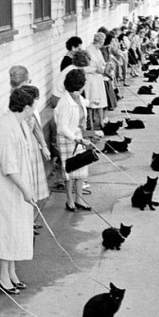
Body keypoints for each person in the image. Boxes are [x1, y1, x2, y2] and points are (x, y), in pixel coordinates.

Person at [0, 87, 37, 294]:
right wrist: (26, 191)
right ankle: (2, 276)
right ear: (26, 107)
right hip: (4, 190)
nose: (34, 110)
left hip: (13, 190)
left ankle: (11, 272)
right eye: (33, 106)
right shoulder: (5, 128)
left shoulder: (17, 124)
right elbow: (9, 167)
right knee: (6, 232)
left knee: (13, 232)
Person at [9, 66, 50, 233]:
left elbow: (37, 125)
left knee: (32, 184)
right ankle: (26, 222)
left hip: (32, 145)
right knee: (26, 184)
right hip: (24, 148)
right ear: (23, 82)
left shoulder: (29, 96)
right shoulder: (18, 101)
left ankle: (30, 219)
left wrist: (43, 145)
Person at [54, 69, 93, 211]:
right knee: (70, 171)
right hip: (68, 139)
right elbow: (62, 128)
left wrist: (91, 102)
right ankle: (70, 200)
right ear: (79, 85)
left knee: (81, 170)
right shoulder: (65, 103)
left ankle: (79, 199)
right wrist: (78, 139)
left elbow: (83, 102)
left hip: (77, 135)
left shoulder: (76, 96)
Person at [85, 32, 108, 130]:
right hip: (91, 79)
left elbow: (102, 62)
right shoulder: (88, 50)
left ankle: (101, 122)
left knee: (101, 100)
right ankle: (90, 122)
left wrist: (103, 67)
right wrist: (95, 69)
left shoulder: (98, 50)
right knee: (91, 101)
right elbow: (85, 67)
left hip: (98, 78)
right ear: (100, 41)